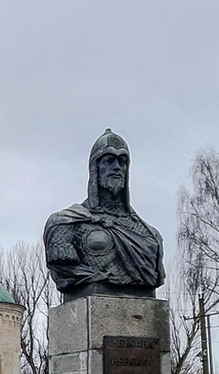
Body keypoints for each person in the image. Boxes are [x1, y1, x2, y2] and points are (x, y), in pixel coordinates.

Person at [43, 129, 165, 300]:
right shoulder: (66, 223)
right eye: (108, 161)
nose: (116, 167)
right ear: (95, 168)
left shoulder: (150, 235)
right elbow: (65, 273)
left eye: (122, 161)